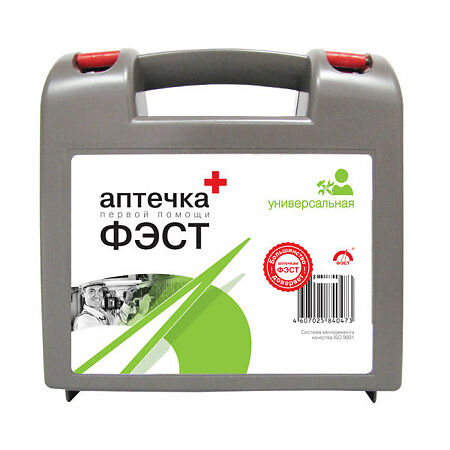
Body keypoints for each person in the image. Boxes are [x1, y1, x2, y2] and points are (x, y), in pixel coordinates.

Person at [73, 281, 137, 330]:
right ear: (82, 293)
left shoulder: (101, 312)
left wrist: (127, 301)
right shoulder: (85, 321)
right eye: (91, 291)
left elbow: (116, 322)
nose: (97, 295)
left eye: (100, 291)